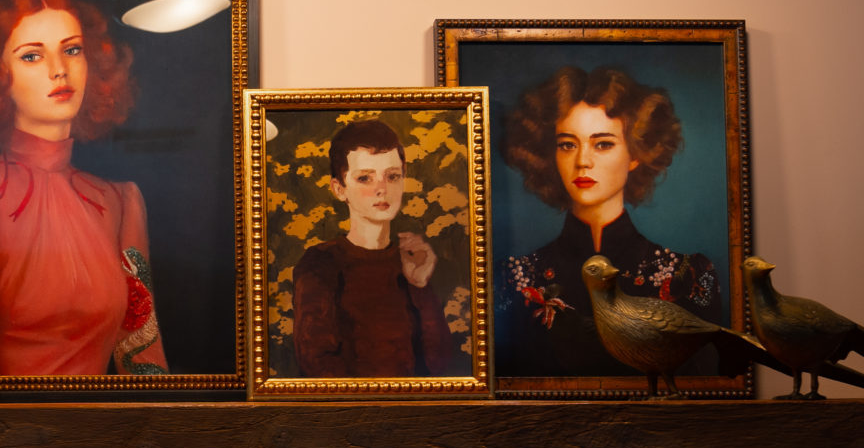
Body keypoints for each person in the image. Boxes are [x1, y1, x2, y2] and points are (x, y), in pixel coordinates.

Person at [0, 0, 167, 376]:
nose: (59, 69)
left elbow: (141, 354)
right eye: (32, 56)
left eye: (72, 50)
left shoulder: (121, 201)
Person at [497, 65, 721, 376]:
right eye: (567, 144)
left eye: (602, 144)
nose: (582, 161)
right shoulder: (514, 279)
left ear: (636, 153)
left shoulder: (688, 276)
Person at [292, 118, 455, 377]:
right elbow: (316, 365)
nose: (382, 189)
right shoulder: (320, 264)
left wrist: (419, 286)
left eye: (392, 176)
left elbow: (441, 366)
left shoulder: (413, 259)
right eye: (365, 178)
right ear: (339, 189)